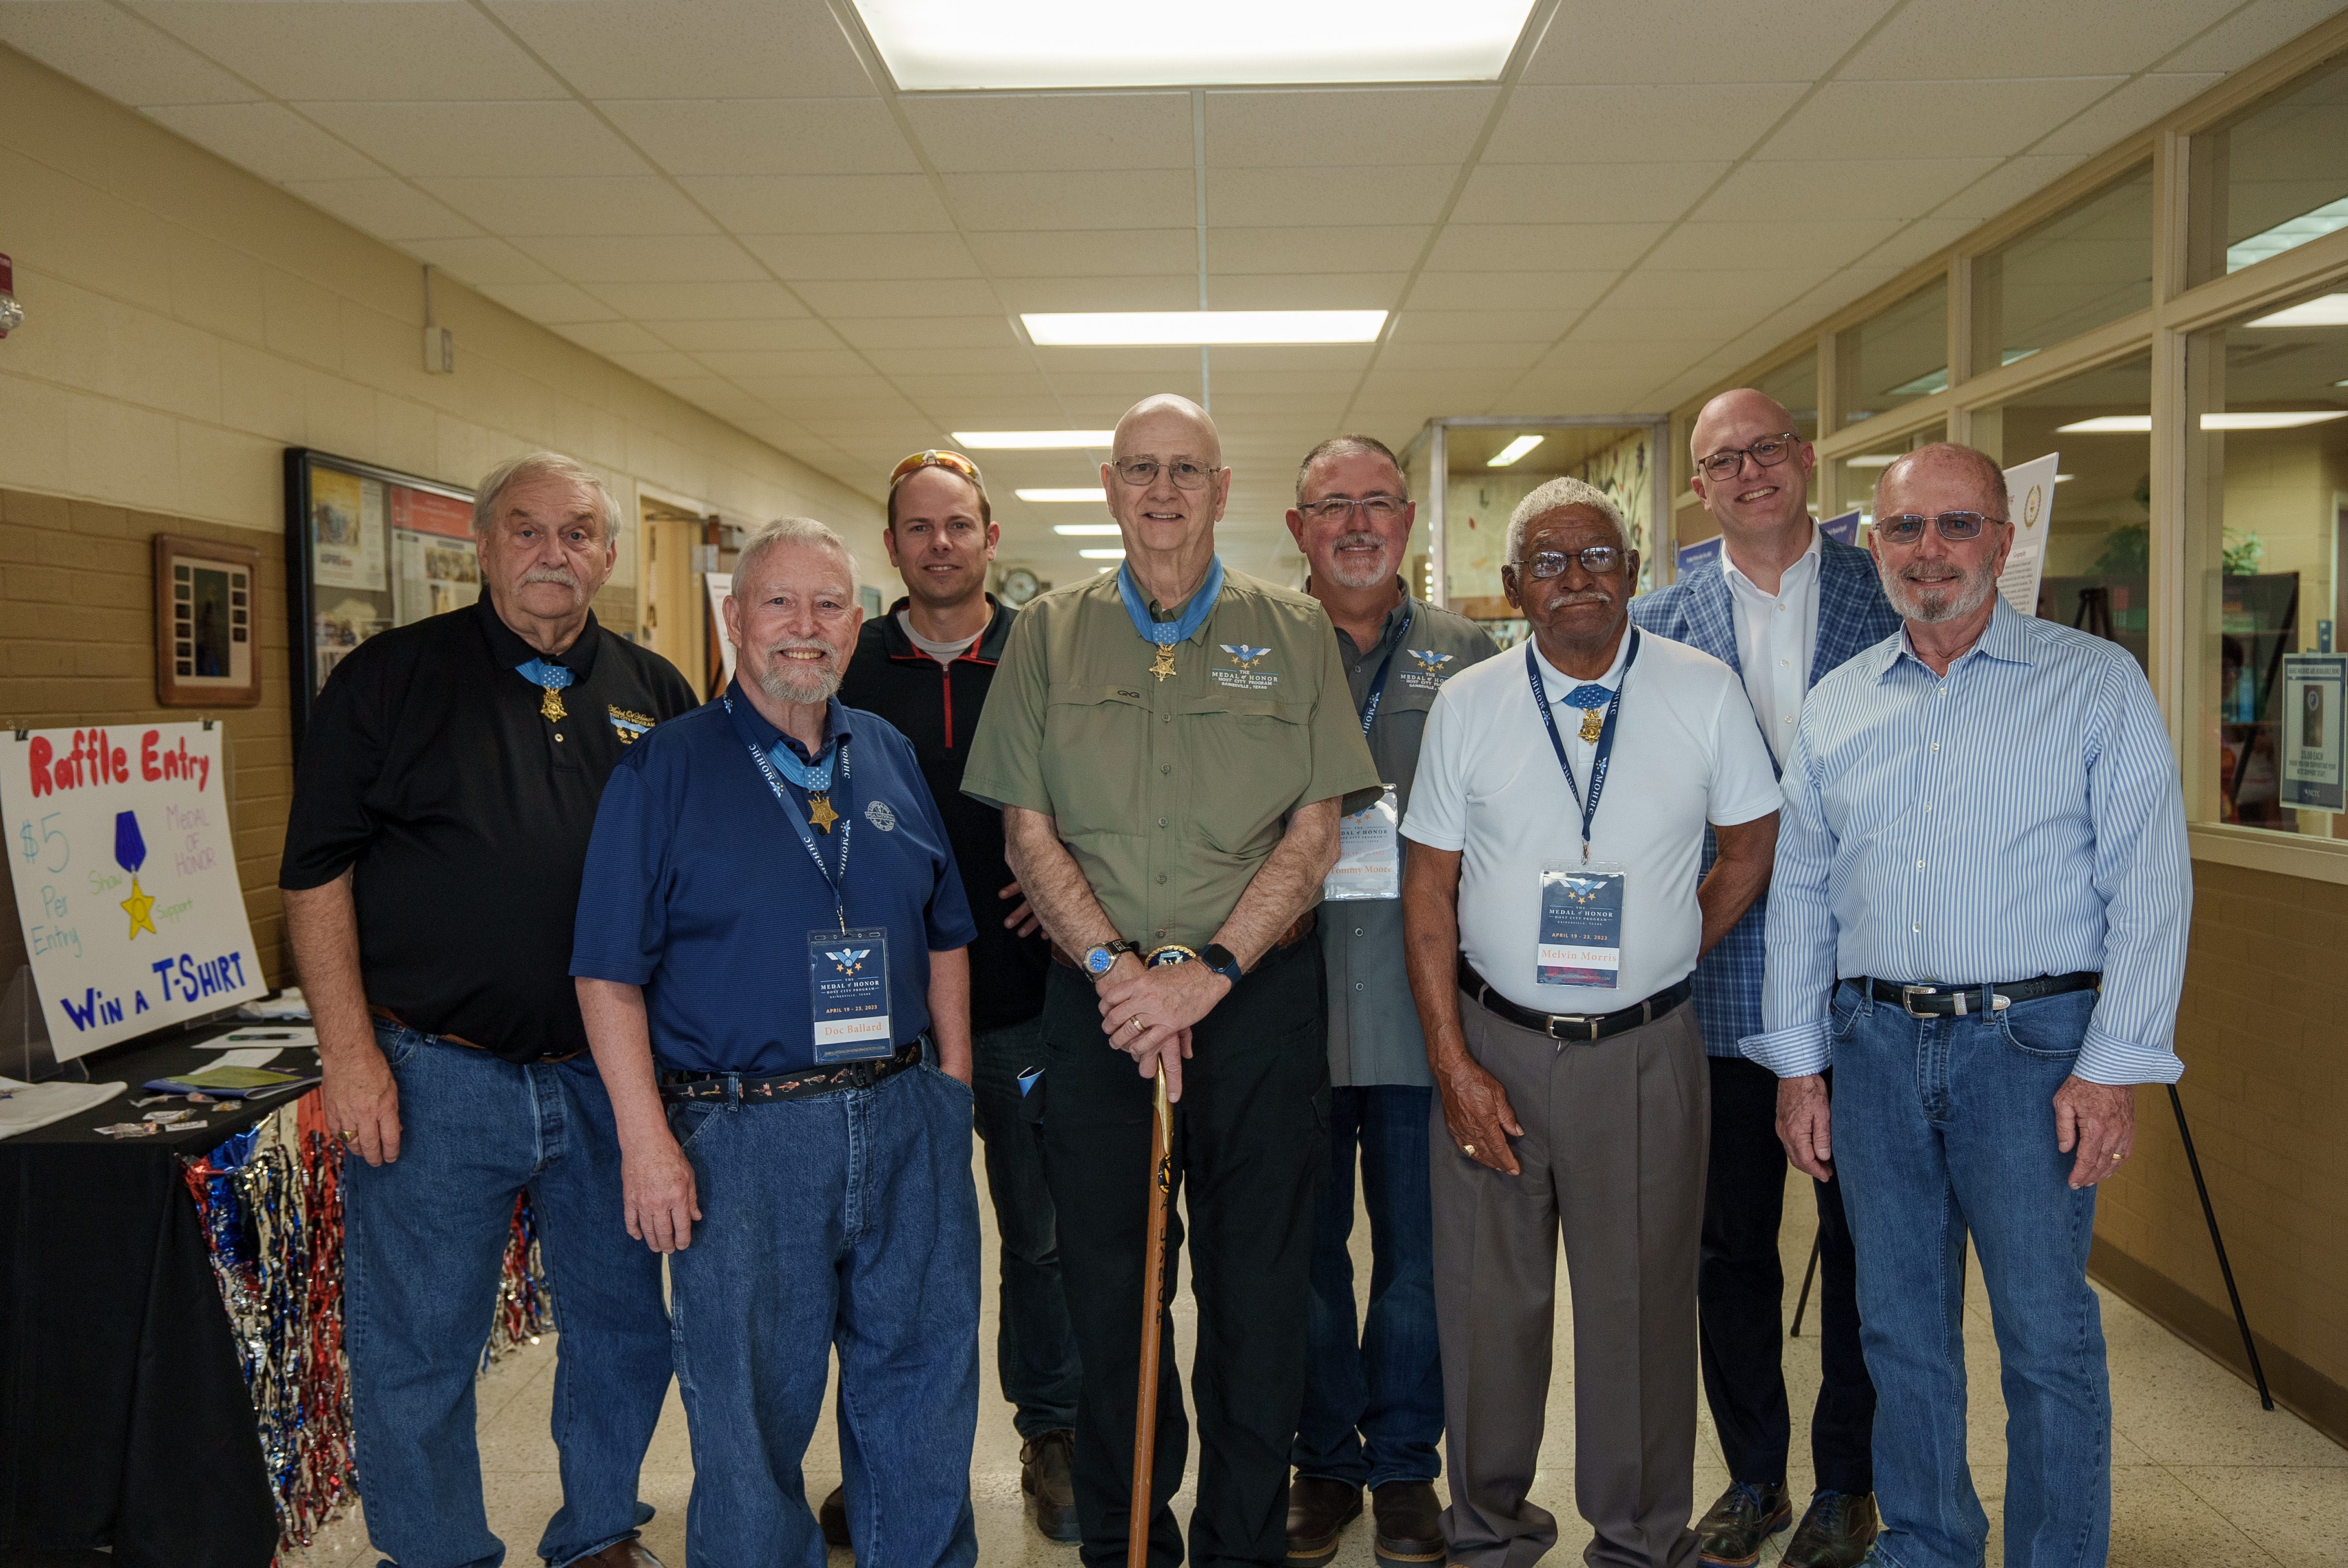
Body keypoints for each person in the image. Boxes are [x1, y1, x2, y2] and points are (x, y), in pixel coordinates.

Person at [1744, 443, 2190, 1568]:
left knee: (2044, 1338)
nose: (1928, 552)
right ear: (1872, 547)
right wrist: (1800, 1068)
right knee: (1897, 1332)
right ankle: (1929, 1545)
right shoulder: (1837, 706)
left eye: (1954, 525)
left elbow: (2147, 884)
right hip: (1874, 1048)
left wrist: (2111, 1067)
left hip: (2032, 1051)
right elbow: (1799, 894)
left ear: (2002, 537)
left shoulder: (2093, 683)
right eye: (1903, 530)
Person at [961, 393, 1382, 1568]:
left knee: (1254, 1305)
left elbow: (1313, 835)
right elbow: (1027, 834)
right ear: (1107, 487)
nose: (1162, 491)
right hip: (1096, 1012)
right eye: (1140, 470)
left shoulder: (1292, 634)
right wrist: (1115, 971)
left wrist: (1209, 973)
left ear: (1222, 489)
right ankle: (1124, 1542)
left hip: (1254, 1010)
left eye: (1184, 470)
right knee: (1111, 1298)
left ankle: (1237, 1548)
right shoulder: (1045, 635)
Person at [279, 451, 695, 1568]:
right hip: (432, 1073)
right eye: (525, 530)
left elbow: (693, 886)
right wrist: (349, 1054)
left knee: (621, 1328)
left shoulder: (656, 695)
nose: (551, 553)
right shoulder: (387, 680)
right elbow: (315, 873)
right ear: (482, 543)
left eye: (576, 533)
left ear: (608, 554)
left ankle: (600, 1529)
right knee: (419, 1342)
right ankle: (437, 1551)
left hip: (607, 1079)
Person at [570, 515, 984, 1568]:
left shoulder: (883, 750)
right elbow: (606, 974)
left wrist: (953, 1091)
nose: (805, 628)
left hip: (902, 1118)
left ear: (856, 625)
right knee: (752, 1415)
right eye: (780, 603)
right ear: (735, 620)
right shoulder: (663, 771)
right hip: (742, 1138)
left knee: (923, 1385)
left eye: (829, 605)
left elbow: (945, 933)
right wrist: (647, 1142)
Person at [1399, 477, 1781, 1568]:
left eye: (1600, 557)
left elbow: (1747, 847)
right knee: (1487, 1313)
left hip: (1644, 1055)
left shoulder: (1702, 691)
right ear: (1514, 588)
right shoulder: (1468, 704)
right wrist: (1451, 1062)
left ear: (1631, 572)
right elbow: (1426, 889)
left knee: (1639, 1312)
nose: (1579, 580)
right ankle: (1488, 1529)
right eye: (1551, 563)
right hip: (1495, 1045)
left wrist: (1664, 948)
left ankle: (1637, 1539)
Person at [1628, 390, 1901, 1568]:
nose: (1746, 474)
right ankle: (1751, 1478)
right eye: (1719, 461)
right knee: (1727, 1250)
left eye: (1765, 451)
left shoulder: (1887, 590)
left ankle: (1849, 1483)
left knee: (1865, 1245)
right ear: (1697, 488)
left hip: (1868, 975)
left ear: (1803, 460)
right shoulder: (1654, 624)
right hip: (1719, 981)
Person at [838, 447, 1078, 1544]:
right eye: (918, 528)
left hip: (1024, 1004)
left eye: (959, 526)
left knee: (1038, 1234)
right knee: (896, 1245)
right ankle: (890, 1453)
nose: (940, 545)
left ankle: (1056, 1433)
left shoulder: (1048, 656)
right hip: (881, 1022)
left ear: (991, 541)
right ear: (891, 547)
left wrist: (1070, 884)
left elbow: (1110, 789)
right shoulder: (843, 661)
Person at [1279, 435, 1495, 1567]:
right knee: (1304, 1257)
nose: (1356, 523)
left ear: (1408, 520)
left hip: (1428, 1016)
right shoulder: (1250, 653)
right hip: (1290, 1012)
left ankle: (1407, 1465)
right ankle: (1325, 1461)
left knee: (1421, 1259)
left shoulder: (1473, 661)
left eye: (1375, 504)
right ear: (1296, 527)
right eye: (1331, 506)